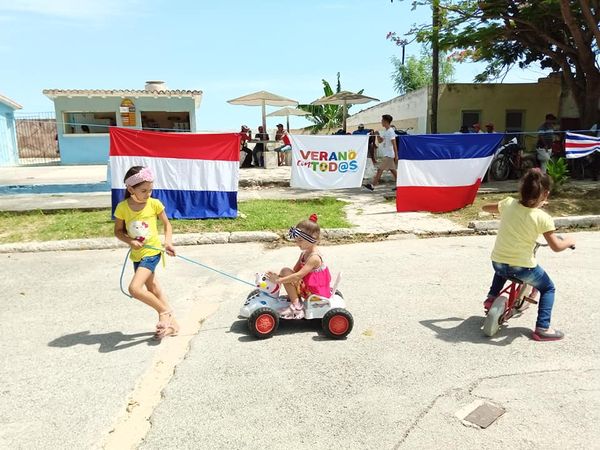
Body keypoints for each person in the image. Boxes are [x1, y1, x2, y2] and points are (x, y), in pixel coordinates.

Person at [481, 168, 575, 341]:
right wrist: (569, 241)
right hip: (523, 267)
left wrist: (492, 208)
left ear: (521, 190)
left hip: (497, 261)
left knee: (503, 266)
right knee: (548, 288)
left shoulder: (508, 203)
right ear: (545, 194)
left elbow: (486, 207)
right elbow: (556, 246)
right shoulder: (542, 217)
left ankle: (491, 297)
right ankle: (542, 328)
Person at [113, 166, 179, 339]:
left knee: (135, 288)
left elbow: (167, 225)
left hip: (153, 253)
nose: (148, 194)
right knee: (153, 287)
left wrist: (168, 242)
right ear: (130, 189)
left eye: (150, 190)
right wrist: (130, 241)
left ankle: (164, 312)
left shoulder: (154, 204)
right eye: (143, 190)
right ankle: (173, 325)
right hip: (137, 255)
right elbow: (118, 231)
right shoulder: (122, 208)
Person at [267, 214, 332, 319]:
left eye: (300, 240)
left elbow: (297, 276)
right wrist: (278, 275)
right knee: (285, 271)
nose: (297, 243)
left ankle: (297, 307)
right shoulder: (304, 253)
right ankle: (295, 298)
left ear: (313, 239)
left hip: (314, 292)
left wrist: (279, 280)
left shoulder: (314, 258)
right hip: (307, 287)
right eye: (296, 240)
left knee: (285, 277)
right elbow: (294, 271)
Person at [364, 114, 398, 191]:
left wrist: (396, 155)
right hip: (388, 154)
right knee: (393, 171)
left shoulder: (391, 131)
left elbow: (394, 144)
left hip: (389, 155)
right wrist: (377, 134)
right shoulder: (386, 131)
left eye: (382, 120)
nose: (381, 122)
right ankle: (401, 185)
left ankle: (372, 185)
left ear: (386, 121)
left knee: (380, 169)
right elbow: (380, 141)